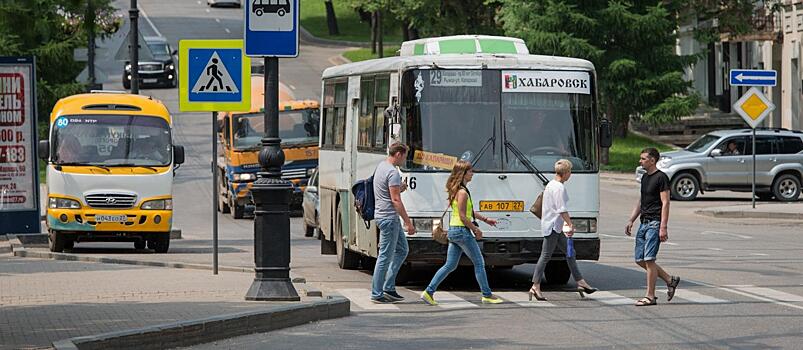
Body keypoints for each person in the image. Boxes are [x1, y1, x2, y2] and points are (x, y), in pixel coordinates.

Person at [421, 160, 504, 305]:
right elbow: (463, 216)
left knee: (450, 265)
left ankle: (428, 292)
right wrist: (476, 229)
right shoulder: (462, 192)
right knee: (479, 263)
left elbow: (469, 212)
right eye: (470, 171)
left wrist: (485, 219)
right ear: (463, 174)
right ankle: (487, 294)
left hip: (455, 230)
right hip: (461, 231)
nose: (472, 173)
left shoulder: (459, 190)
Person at [528, 159, 597, 301]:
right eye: (570, 172)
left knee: (570, 252)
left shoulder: (550, 185)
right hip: (553, 227)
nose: (570, 175)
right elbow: (561, 209)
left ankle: (580, 282)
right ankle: (535, 286)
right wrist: (570, 224)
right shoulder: (559, 187)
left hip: (555, 227)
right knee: (546, 256)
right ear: (565, 173)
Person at [625, 148, 681, 306]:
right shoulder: (644, 177)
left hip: (655, 223)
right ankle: (670, 280)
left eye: (643, 159)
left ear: (652, 160)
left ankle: (650, 296)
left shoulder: (661, 178)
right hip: (643, 223)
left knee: (649, 260)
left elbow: (666, 202)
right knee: (640, 259)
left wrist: (663, 227)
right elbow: (641, 201)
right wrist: (631, 220)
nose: (640, 161)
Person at [371, 142, 416, 303]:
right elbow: (395, 200)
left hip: (384, 216)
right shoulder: (392, 172)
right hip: (389, 218)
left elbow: (389, 191)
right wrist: (408, 222)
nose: (405, 160)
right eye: (404, 156)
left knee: (403, 250)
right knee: (384, 256)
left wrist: (400, 187)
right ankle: (377, 293)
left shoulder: (381, 166)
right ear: (398, 154)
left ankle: (389, 287)